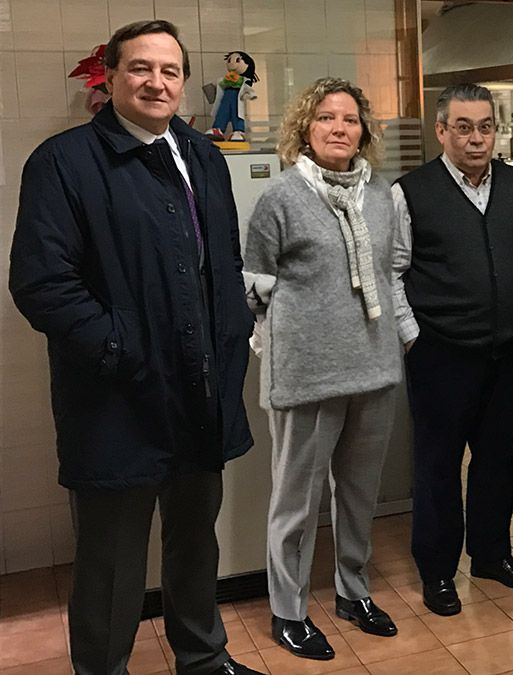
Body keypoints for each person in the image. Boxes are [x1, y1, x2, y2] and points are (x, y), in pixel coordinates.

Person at [7, 20, 260, 675]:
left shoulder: (203, 154)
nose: (157, 81)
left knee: (194, 543)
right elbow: (42, 284)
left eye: (170, 70)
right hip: (116, 399)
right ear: (112, 77)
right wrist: (123, 354)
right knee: (112, 560)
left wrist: (230, 352)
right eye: (141, 68)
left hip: (201, 393)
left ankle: (202, 657)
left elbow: (223, 267)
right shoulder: (64, 163)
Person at [242, 78, 402, 661]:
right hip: (308, 374)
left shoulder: (381, 194)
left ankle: (351, 592)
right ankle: (288, 610)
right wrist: (291, 343)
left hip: (375, 368)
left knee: (358, 495)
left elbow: (390, 271)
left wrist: (399, 339)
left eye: (351, 119)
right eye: (327, 118)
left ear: (364, 130)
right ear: (305, 130)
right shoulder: (281, 197)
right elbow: (254, 286)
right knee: (296, 502)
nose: (340, 128)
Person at [392, 83, 513, 617]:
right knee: (437, 464)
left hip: (507, 352)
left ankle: (490, 554)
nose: (476, 137)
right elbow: (392, 271)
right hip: (440, 352)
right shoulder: (410, 191)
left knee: (498, 460)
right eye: (463, 127)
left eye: (485, 126)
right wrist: (412, 337)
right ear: (441, 131)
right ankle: (437, 571)